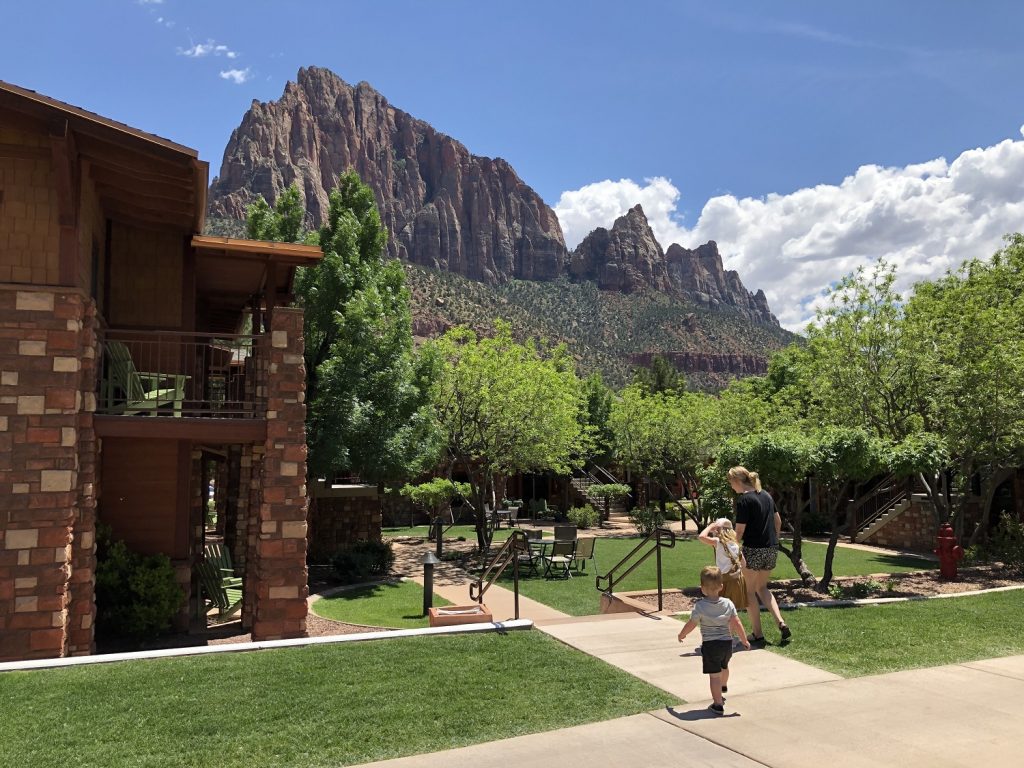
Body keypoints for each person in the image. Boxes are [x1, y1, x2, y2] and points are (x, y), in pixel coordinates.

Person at [728, 465, 791, 647]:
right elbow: (777, 521)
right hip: (771, 548)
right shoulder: (766, 495)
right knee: (762, 588)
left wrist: (730, 548)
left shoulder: (744, 501)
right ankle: (780, 621)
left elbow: (739, 532)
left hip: (752, 550)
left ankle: (757, 634)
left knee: (749, 592)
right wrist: (774, 540)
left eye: (731, 482)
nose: (731, 486)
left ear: (738, 481)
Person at [677, 565, 751, 715]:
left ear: (702, 588)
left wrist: (682, 634)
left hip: (711, 646)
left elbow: (692, 623)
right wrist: (744, 640)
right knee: (724, 666)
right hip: (727, 644)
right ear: (721, 586)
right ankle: (723, 686)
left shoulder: (700, 606)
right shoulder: (728, 603)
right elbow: (737, 622)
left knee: (714, 676)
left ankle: (717, 704)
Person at [698, 517, 747, 614]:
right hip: (737, 580)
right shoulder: (735, 544)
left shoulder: (718, 542)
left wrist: (710, 526)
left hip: (724, 580)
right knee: (731, 612)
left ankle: (722, 628)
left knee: (720, 611)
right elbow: (744, 564)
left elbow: (701, 537)